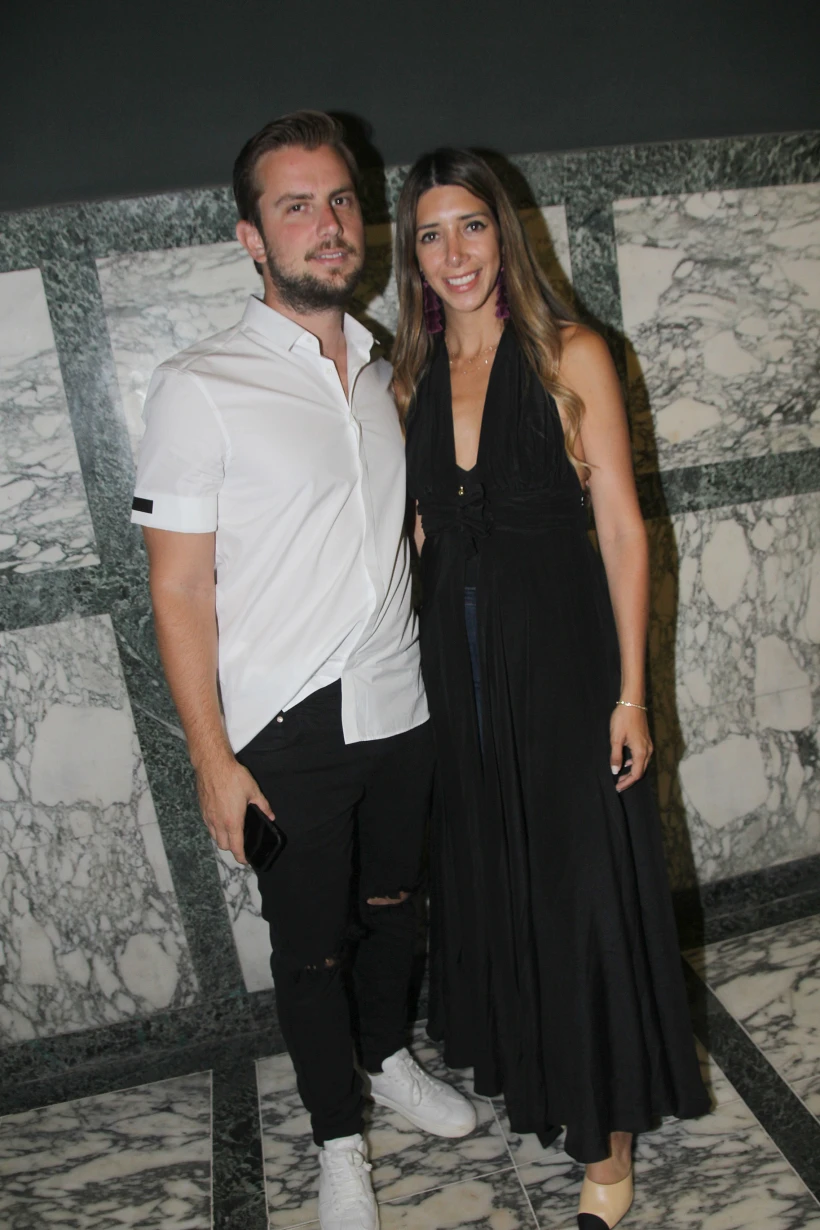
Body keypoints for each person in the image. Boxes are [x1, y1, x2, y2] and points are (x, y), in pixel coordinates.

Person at [131, 113, 476, 1230]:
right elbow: (178, 589)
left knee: (394, 907)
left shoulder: (381, 369)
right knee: (312, 947)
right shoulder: (198, 385)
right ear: (251, 237)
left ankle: (385, 1057)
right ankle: (338, 1145)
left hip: (402, 703)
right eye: (295, 206)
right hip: (287, 727)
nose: (327, 224)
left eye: (339, 201)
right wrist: (212, 761)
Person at [393, 148, 710, 1230]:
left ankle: (608, 1147)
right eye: (430, 233)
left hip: (567, 672)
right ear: (413, 254)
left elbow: (621, 530)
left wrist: (631, 695)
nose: (454, 253)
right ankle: (540, 1072)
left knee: (582, 894)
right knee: (499, 883)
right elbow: (422, 533)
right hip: (460, 679)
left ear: (506, 232)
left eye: (472, 225)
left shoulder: (572, 353)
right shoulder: (409, 377)